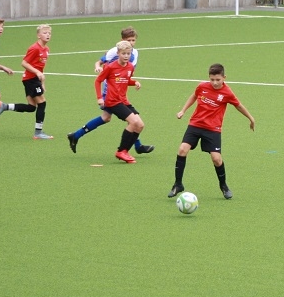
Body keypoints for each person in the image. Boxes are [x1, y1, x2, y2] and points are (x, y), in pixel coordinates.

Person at [167, 63, 256, 200]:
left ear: (224, 78)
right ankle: (178, 184)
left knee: (216, 159)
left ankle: (223, 186)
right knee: (182, 150)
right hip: (195, 124)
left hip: (213, 129)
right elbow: (194, 96)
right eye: (212, 79)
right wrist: (183, 110)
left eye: (218, 80)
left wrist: (251, 118)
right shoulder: (202, 86)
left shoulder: (227, 93)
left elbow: (238, 106)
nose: (214, 83)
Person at [77, 27, 154, 153]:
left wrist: (133, 81)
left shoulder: (134, 53)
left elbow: (127, 73)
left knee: (108, 118)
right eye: (128, 40)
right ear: (122, 40)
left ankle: (76, 135)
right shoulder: (114, 51)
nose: (131, 43)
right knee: (129, 119)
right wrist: (98, 67)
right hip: (110, 89)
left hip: (121, 88)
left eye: (133, 40)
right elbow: (100, 62)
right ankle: (132, 148)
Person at [67, 41, 144, 163]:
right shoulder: (110, 67)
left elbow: (125, 80)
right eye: (123, 53)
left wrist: (134, 82)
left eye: (128, 53)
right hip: (113, 101)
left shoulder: (130, 67)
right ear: (118, 53)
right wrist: (99, 98)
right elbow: (98, 81)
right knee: (133, 122)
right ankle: (121, 151)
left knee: (139, 125)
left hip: (123, 100)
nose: (126, 56)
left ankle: (76, 135)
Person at [0, 24, 54, 139]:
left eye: (49, 33)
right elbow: (24, 63)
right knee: (42, 103)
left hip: (33, 79)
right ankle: (38, 133)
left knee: (31, 107)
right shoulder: (35, 48)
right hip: (30, 79)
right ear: (38, 35)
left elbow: (40, 68)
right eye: (45, 33)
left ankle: (4, 106)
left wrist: (42, 82)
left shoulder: (46, 49)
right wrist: (37, 73)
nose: (48, 35)